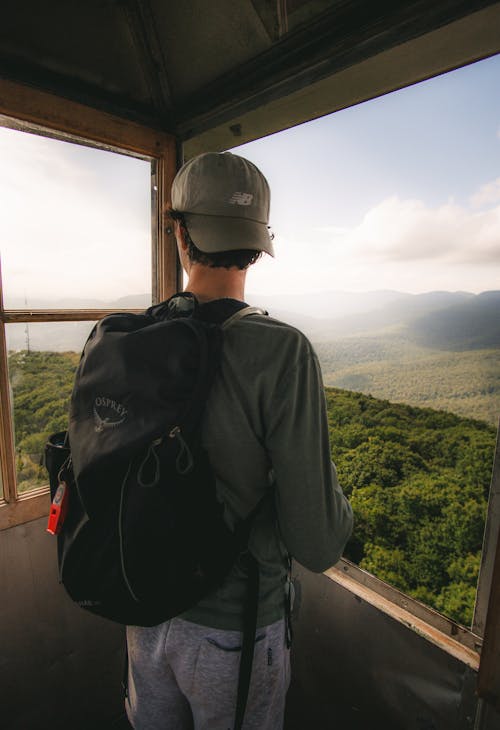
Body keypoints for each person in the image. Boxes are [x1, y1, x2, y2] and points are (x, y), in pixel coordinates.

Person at [125, 151, 353, 730]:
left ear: (180, 233)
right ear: (256, 246)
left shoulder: (134, 337)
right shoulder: (283, 352)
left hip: (143, 608)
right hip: (236, 630)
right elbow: (319, 544)